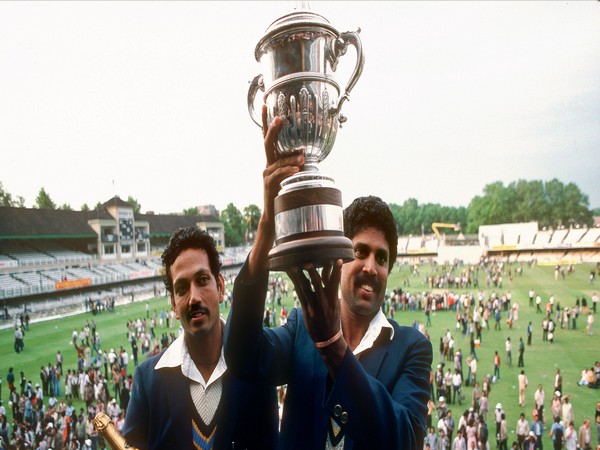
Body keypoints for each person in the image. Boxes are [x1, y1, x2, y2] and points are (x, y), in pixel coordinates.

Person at [225, 106, 433, 449]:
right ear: (341, 255)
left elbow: (404, 440)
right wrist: (267, 225)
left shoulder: (411, 347)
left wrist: (333, 346)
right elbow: (242, 357)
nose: (370, 266)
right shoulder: (300, 329)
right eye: (361, 251)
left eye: (382, 258)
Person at [122, 227, 278, 449]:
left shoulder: (257, 369)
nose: (194, 297)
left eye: (203, 280)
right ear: (174, 305)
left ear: (221, 287)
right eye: (182, 288)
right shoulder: (148, 381)